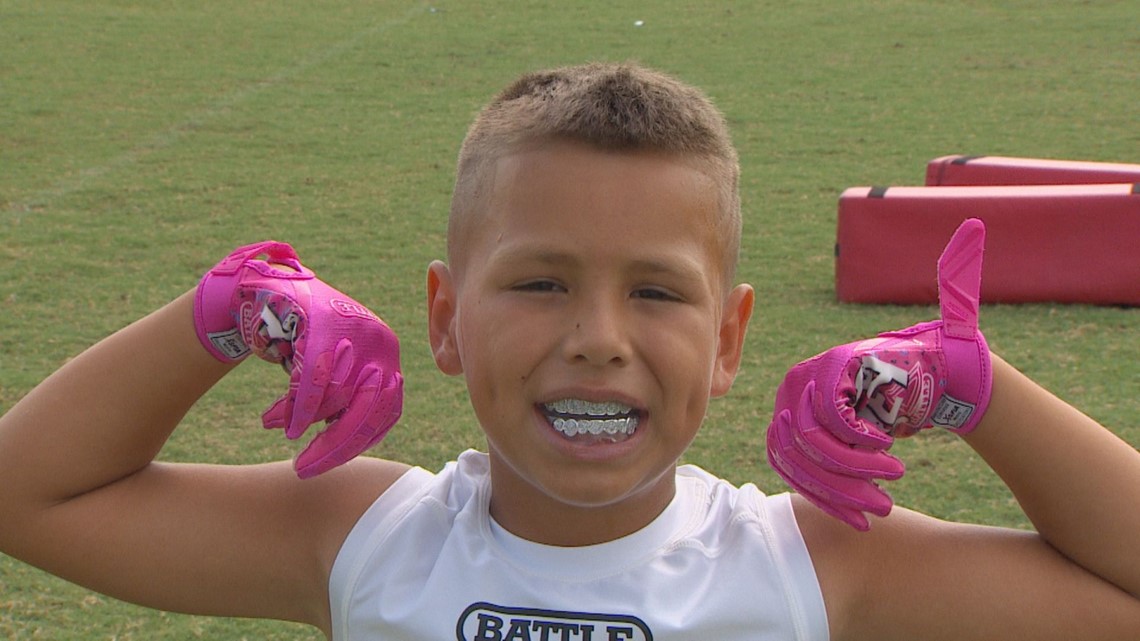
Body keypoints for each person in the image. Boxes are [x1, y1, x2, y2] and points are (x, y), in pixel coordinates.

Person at [0, 62, 1137, 641]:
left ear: (732, 336)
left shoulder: (815, 565)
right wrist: (232, 311)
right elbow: (27, 494)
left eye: (655, 291)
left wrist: (972, 390)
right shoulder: (355, 536)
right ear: (445, 317)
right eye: (540, 283)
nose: (598, 339)